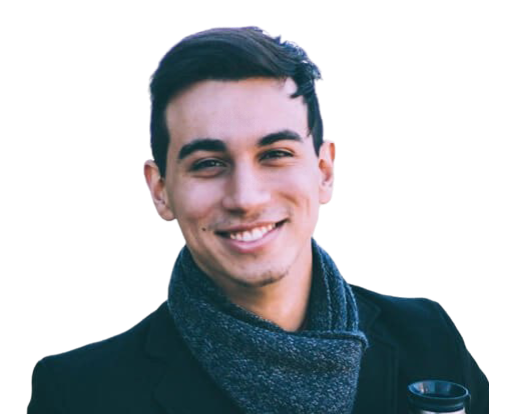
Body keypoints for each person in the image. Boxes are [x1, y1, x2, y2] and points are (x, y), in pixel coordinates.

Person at [27, 25, 488, 414]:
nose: (246, 198)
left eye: (275, 154)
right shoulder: (79, 394)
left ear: (324, 172)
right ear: (160, 190)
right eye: (208, 163)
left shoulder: (428, 336)